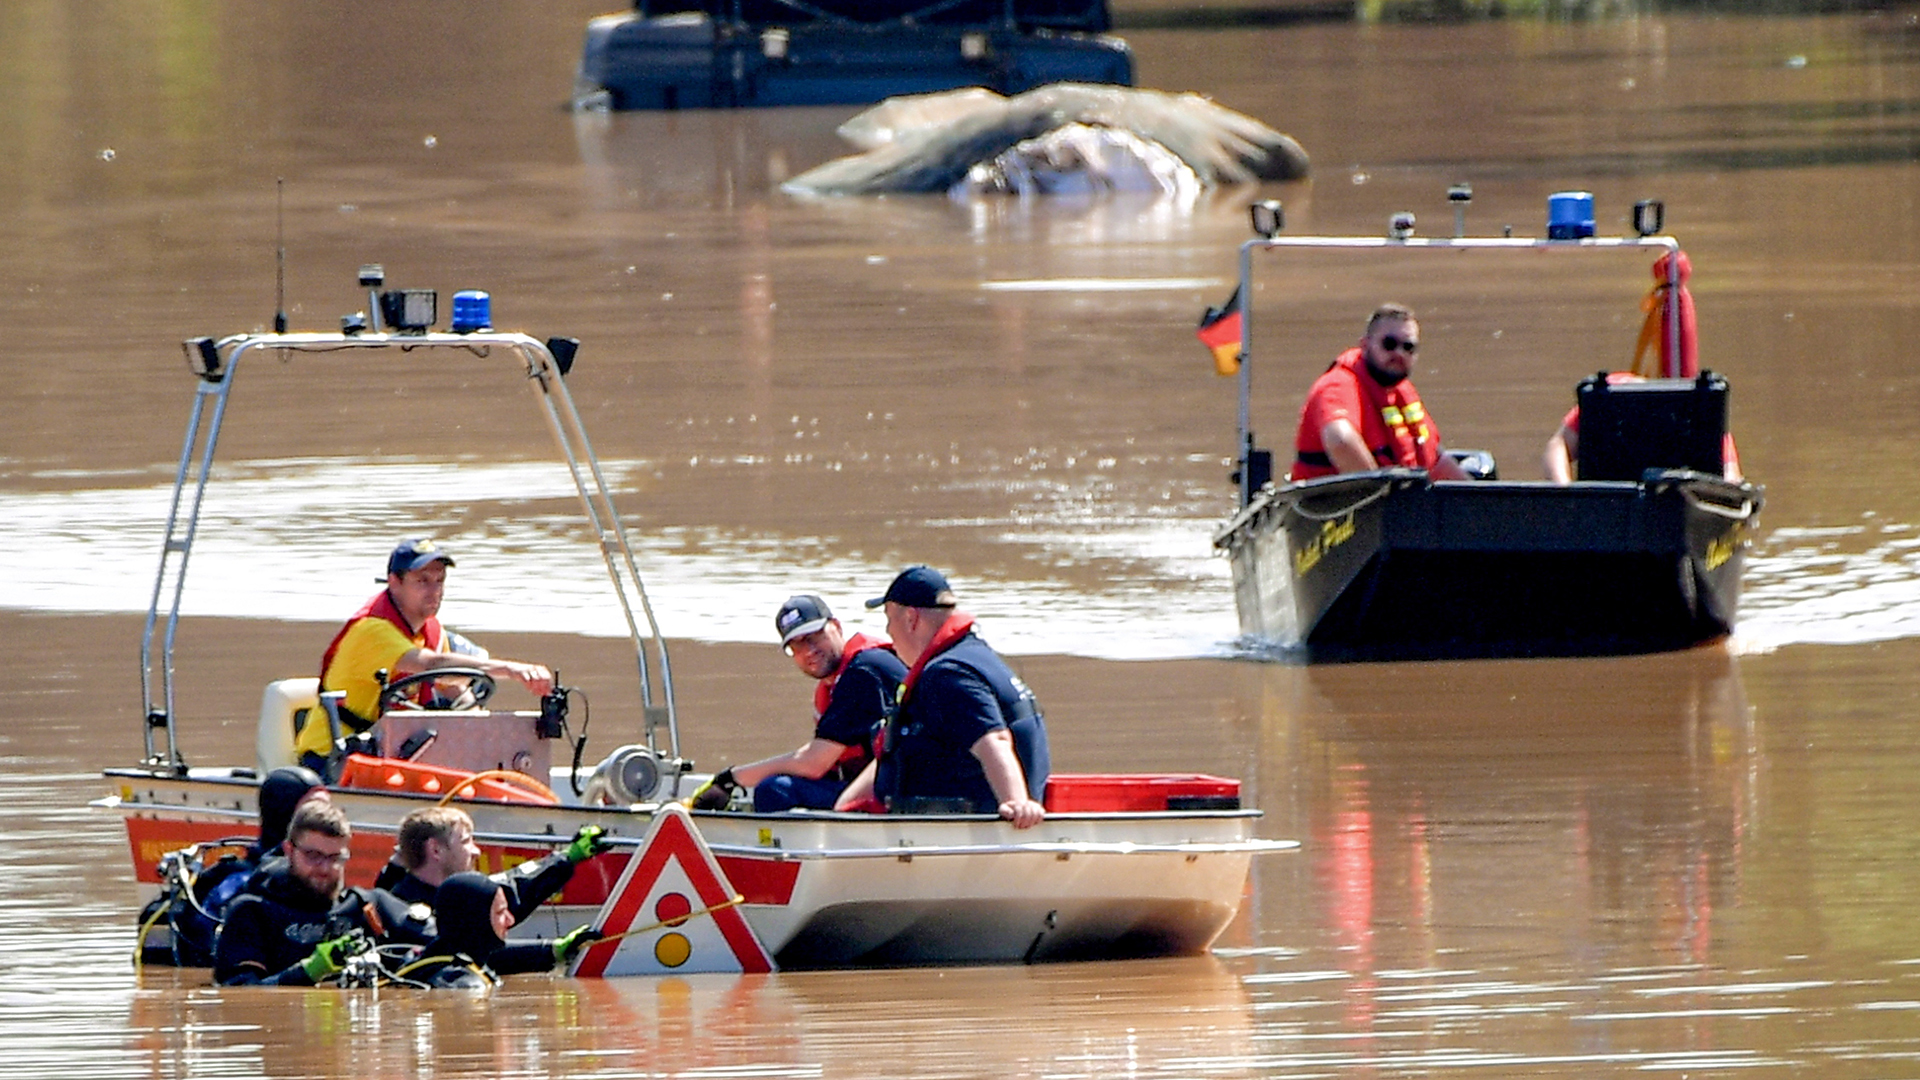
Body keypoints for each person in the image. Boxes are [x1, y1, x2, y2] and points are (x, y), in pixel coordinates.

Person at [295, 538, 557, 773]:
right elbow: (432, 665)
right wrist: (510, 670)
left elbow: (454, 688)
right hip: (330, 759)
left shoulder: (431, 631)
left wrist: (488, 735)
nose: (434, 591)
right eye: (422, 581)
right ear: (394, 582)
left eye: (439, 581)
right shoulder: (372, 630)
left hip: (388, 754)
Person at [834, 566, 1049, 829]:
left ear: (911, 618)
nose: (888, 632)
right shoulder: (975, 658)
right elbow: (899, 751)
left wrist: (1016, 803)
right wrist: (843, 809)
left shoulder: (948, 676)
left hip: (946, 833)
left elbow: (994, 741)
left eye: (889, 619)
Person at [691, 595, 906, 812]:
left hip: (904, 793)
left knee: (775, 790)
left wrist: (730, 778)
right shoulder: (836, 683)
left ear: (837, 627)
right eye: (796, 645)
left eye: (814, 636)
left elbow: (813, 764)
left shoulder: (865, 671)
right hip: (881, 786)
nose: (809, 650)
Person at [136, 765, 333, 968]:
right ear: (285, 815)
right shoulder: (237, 887)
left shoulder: (326, 880)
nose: (326, 820)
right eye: (313, 811)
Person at [213, 800, 423, 986]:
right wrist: (307, 972)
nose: (324, 868)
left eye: (335, 858)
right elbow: (239, 992)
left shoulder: (366, 906)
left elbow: (437, 948)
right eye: (313, 856)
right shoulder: (252, 912)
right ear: (289, 850)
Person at [1291, 303, 1473, 483]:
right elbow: (1340, 440)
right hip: (1335, 508)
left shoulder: (1401, 390)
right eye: (1389, 344)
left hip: (1405, 502)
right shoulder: (1337, 385)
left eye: (1408, 347)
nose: (1399, 353)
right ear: (1365, 345)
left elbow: (1436, 460)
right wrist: (1382, 498)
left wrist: (1481, 504)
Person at [371, 805, 608, 924]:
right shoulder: (406, 914)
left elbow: (512, 885)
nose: (476, 851)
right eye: (465, 841)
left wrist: (568, 856)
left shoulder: (400, 893)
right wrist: (551, 951)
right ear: (435, 850)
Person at [388, 872, 599, 989]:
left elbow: (499, 959)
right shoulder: (465, 984)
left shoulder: (431, 960)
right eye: (500, 912)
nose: (510, 919)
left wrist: (555, 951)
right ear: (475, 921)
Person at [1542, 372, 1744, 484]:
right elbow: (1557, 446)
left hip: (1685, 509)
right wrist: (1566, 492)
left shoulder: (1703, 412)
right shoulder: (1610, 395)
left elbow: (1731, 475)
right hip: (1606, 507)